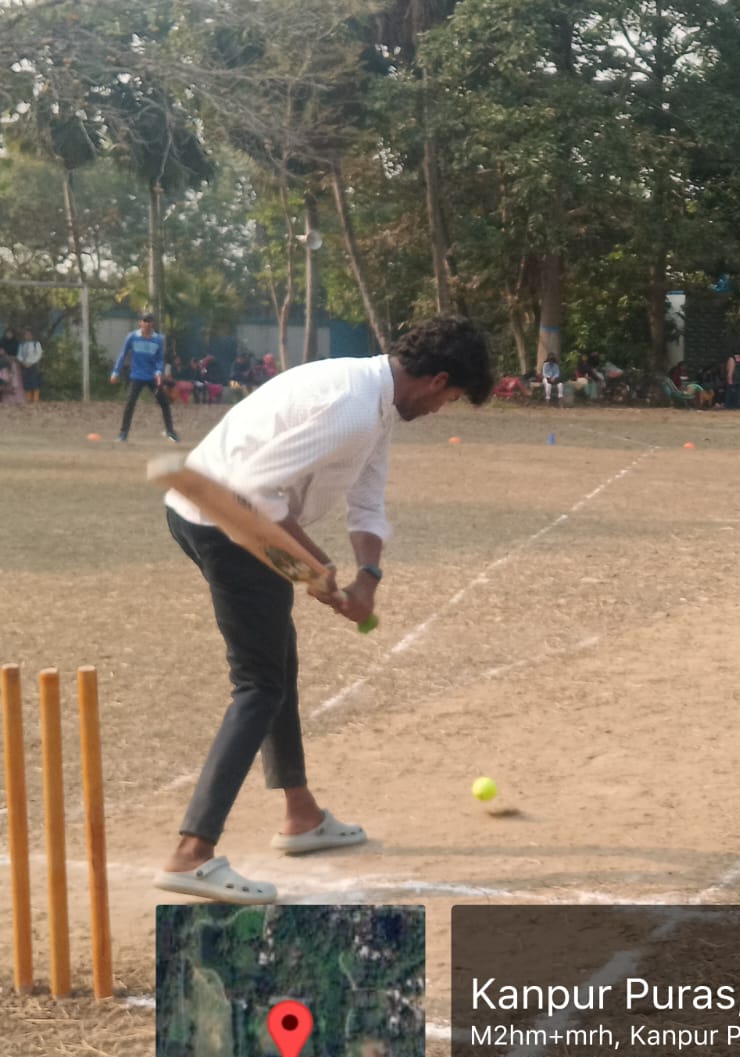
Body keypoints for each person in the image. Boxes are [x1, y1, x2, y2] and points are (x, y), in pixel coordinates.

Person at [153, 315, 493, 903]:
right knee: (259, 684)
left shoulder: (377, 402)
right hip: (222, 520)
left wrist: (368, 577)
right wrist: (315, 562)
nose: (443, 410)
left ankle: (301, 815)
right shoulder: (353, 406)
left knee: (276, 664)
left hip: (224, 515)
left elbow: (367, 501)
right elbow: (251, 491)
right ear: (437, 380)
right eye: (452, 398)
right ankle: (192, 852)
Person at [111, 311, 178, 442]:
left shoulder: (158, 339)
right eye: (145, 321)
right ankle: (123, 433)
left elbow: (159, 359)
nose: (147, 324)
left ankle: (170, 432)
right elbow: (123, 354)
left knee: (164, 403)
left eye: (150, 321)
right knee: (130, 404)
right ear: (140, 323)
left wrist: (158, 372)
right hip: (137, 376)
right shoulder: (132, 337)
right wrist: (115, 372)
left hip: (152, 377)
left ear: (152, 324)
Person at [17, 329, 43, 404]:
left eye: (29, 334)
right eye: (26, 335)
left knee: (35, 382)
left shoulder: (36, 343)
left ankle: (35, 399)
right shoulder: (22, 344)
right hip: (24, 365)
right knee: (26, 382)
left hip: (33, 365)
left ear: (32, 335)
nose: (27, 336)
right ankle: (28, 399)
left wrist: (31, 362)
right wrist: (23, 362)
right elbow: (19, 355)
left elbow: (39, 354)